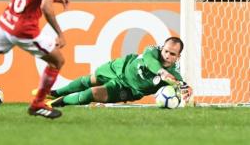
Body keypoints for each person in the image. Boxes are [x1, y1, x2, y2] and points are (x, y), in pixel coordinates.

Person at [42, 37, 192, 107]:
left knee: (91, 93)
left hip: (128, 89)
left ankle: (57, 103)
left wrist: (185, 90)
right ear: (162, 48)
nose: (167, 55)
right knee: (90, 80)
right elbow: (150, 62)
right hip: (120, 67)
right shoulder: (152, 50)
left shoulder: (174, 74)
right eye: (166, 51)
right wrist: (161, 72)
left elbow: (180, 85)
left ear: (178, 56)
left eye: (173, 54)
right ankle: (55, 92)